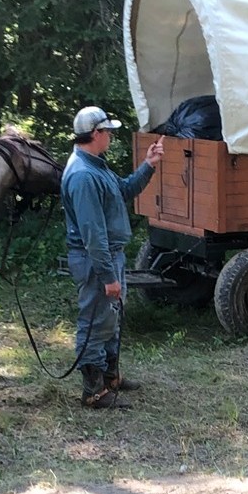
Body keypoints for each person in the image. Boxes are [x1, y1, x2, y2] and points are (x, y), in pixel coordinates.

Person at [61, 106, 163, 408]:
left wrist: (148, 164)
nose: (111, 137)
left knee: (110, 319)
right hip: (95, 261)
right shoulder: (82, 175)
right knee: (94, 322)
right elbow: (93, 234)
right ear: (95, 134)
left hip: (108, 257)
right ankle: (94, 393)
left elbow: (124, 190)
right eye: (108, 132)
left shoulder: (96, 166)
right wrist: (107, 277)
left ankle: (110, 378)